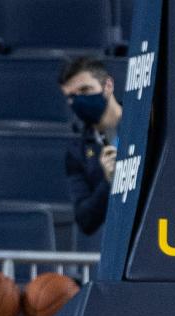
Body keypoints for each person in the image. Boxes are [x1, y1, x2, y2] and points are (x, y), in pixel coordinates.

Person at [58, 57, 123, 237]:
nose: (79, 100)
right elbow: (85, 220)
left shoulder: (144, 123)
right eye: (72, 96)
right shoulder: (77, 152)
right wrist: (108, 182)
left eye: (85, 90)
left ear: (108, 85)